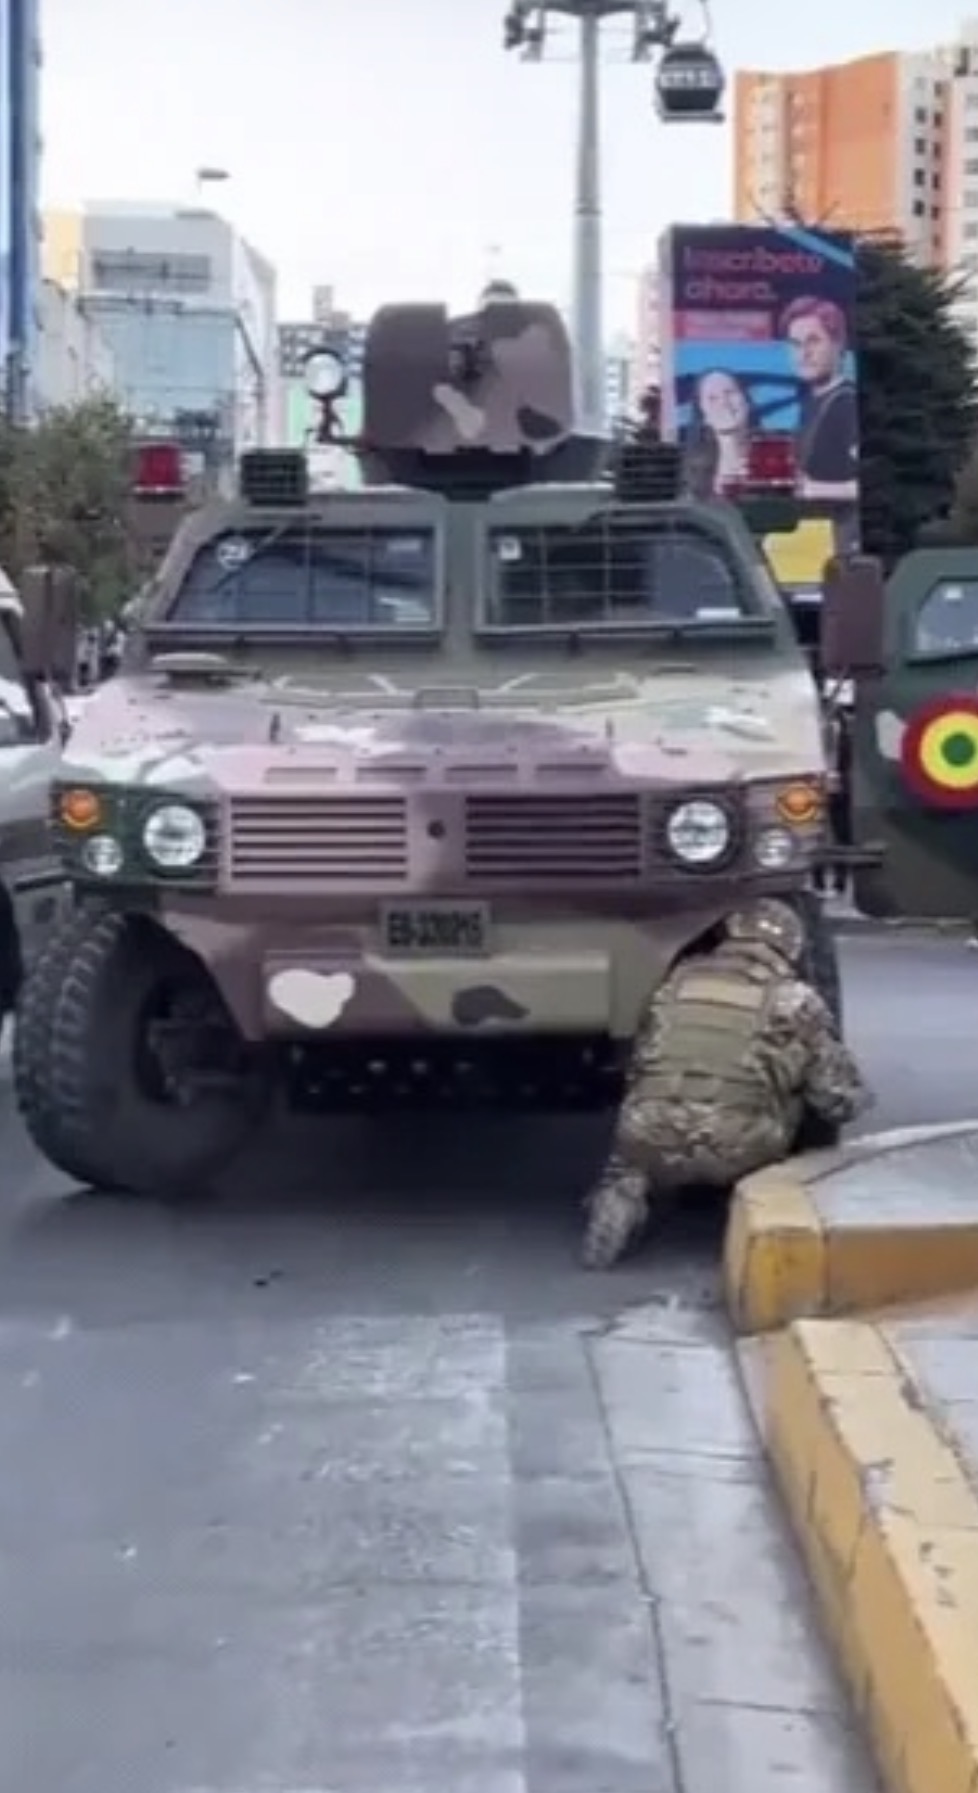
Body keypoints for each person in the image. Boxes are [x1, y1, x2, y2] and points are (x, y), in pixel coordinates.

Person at [580, 897, 871, 1269]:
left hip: (650, 1131)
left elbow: (637, 1062)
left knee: (632, 1155)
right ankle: (754, 1202)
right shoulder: (796, 1001)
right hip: (739, 1144)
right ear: (792, 948)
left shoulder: (675, 982)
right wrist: (853, 1097)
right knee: (792, 1096)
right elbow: (834, 1099)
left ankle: (621, 1195)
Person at [780, 296, 859, 504]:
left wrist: (812, 489)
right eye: (795, 344)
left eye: (813, 341)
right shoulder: (810, 402)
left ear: (838, 344)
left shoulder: (846, 404)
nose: (803, 353)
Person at [683, 368, 756, 495]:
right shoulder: (691, 467)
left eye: (730, 392)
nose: (724, 402)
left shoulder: (774, 452)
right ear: (701, 411)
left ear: (746, 400)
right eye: (712, 398)